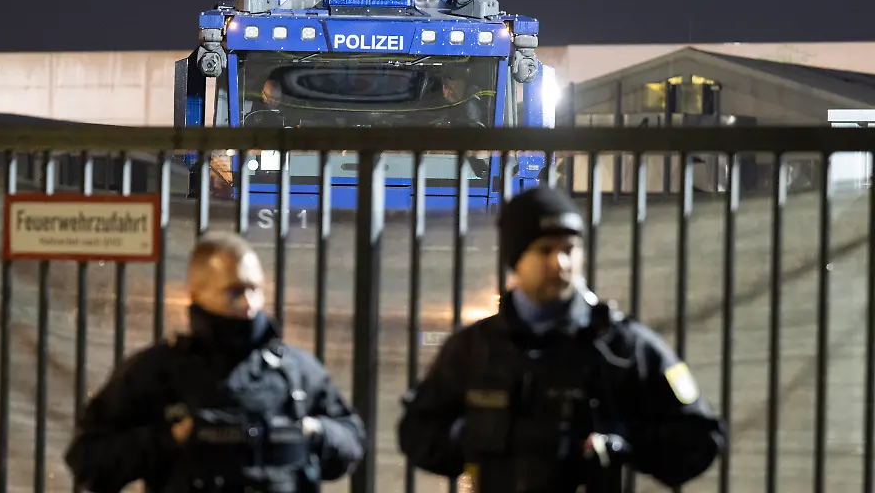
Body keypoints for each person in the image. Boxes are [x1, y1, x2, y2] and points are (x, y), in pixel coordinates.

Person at [396, 186, 727, 492]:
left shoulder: (621, 347)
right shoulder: (475, 348)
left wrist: (624, 443)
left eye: (570, 249)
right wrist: (478, 437)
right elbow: (417, 431)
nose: (561, 263)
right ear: (516, 259)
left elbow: (701, 439)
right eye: (545, 250)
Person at [65, 231, 366, 493]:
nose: (249, 304)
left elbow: (351, 440)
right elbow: (88, 459)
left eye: (255, 289)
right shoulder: (156, 372)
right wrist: (169, 439)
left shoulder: (294, 370)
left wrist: (315, 431)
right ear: (196, 294)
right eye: (235, 291)